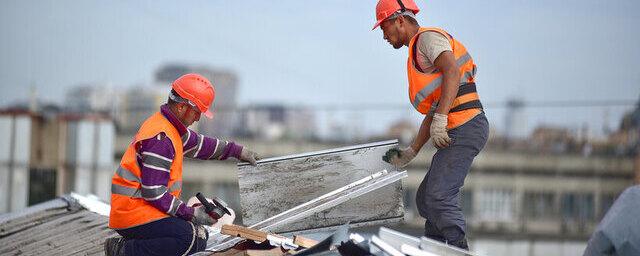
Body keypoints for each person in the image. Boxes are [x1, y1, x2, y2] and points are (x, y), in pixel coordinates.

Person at [104, 73, 261, 256]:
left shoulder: (170, 128)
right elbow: (154, 192)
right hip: (133, 213)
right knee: (189, 238)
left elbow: (201, 145)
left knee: (197, 236)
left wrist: (237, 151)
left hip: (142, 209)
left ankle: (133, 245)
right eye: (197, 112)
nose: (197, 119)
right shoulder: (161, 138)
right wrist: (191, 214)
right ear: (181, 107)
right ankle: (123, 251)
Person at [375, 0, 489, 250]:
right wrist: (412, 150)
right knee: (425, 199)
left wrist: (442, 117)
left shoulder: (426, 40)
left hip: (466, 125)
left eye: (384, 27)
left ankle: (459, 250)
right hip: (459, 125)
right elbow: (436, 107)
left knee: (438, 197)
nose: (384, 36)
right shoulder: (416, 51)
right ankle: (435, 249)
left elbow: (452, 71)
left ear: (400, 20)